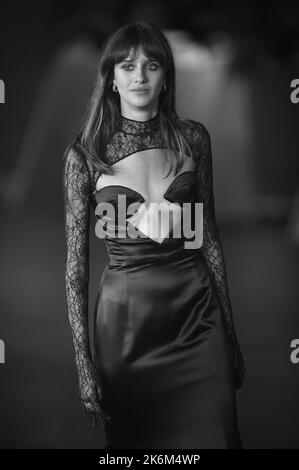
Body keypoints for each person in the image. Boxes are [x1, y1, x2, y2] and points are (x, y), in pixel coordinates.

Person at [62, 21, 245, 449]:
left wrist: (230, 335)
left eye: (152, 65)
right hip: (126, 329)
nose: (139, 76)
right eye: (126, 66)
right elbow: (75, 267)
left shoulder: (194, 139)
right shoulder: (84, 155)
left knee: (219, 436)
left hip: (199, 319)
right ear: (111, 79)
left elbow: (210, 241)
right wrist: (83, 364)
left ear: (166, 78)